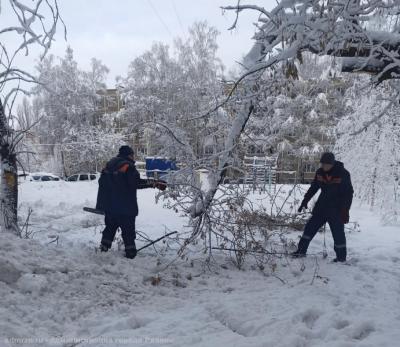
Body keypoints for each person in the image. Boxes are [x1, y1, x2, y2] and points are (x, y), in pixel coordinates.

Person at [96, 145, 167, 259]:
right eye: (133, 154)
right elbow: (136, 183)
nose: (134, 157)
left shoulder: (109, 165)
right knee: (128, 231)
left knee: (109, 228)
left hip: (109, 206)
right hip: (125, 207)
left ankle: (103, 249)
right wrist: (155, 183)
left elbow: (102, 183)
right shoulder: (128, 166)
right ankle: (130, 254)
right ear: (129, 155)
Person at [292, 152, 354, 262]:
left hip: (337, 210)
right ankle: (301, 251)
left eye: (327, 164)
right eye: (323, 164)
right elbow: (313, 188)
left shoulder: (343, 173)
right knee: (309, 229)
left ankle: (341, 258)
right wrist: (305, 201)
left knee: (338, 234)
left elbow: (349, 193)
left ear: (332, 163)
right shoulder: (320, 173)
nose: (324, 166)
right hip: (321, 207)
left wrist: (345, 210)